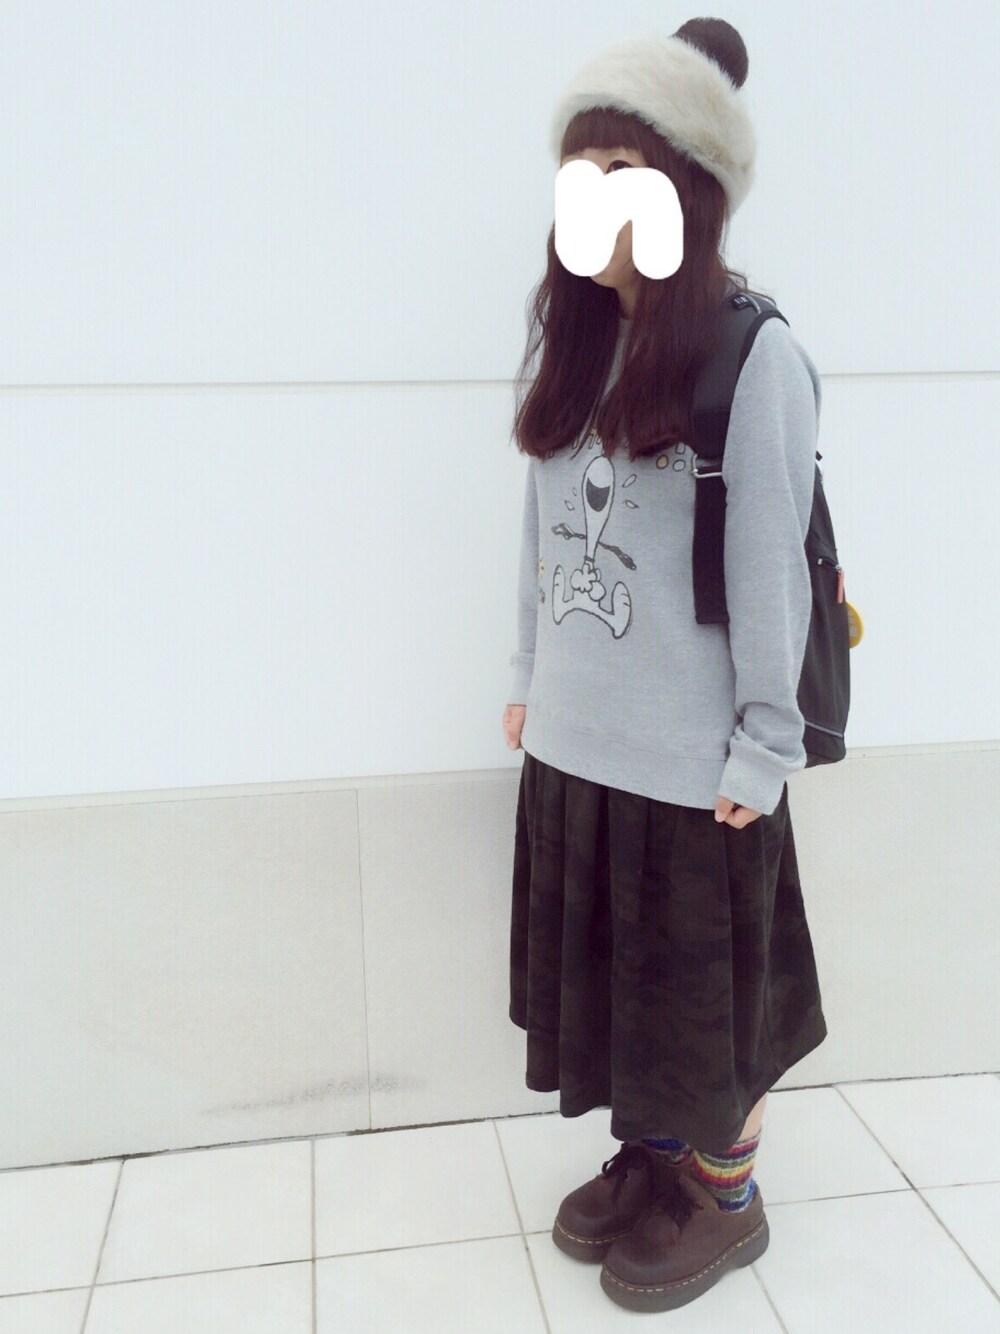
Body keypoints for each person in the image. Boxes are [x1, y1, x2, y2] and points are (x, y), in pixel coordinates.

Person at [501, 17, 828, 1316]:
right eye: (578, 176)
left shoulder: (753, 356)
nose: (594, 202)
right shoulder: (576, 347)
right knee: (618, 985)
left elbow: (771, 565)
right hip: (577, 744)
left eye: (623, 175)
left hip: (695, 767)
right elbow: (535, 533)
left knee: (704, 1000)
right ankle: (651, 1160)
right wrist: (526, 670)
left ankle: (724, 1198)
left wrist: (766, 741)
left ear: (690, 191)